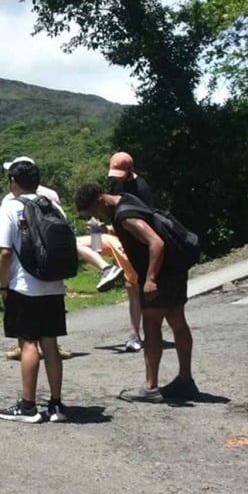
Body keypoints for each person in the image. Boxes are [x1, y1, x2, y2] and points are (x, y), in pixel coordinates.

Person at [74, 182, 198, 403]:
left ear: (101, 201)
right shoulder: (127, 199)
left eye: (95, 212)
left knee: (151, 327)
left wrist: (150, 279)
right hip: (175, 269)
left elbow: (156, 243)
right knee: (178, 322)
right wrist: (105, 230)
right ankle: (185, 380)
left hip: (159, 274)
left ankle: (150, 387)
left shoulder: (124, 216)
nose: (97, 216)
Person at [0, 156, 69, 423]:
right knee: (51, 344)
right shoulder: (54, 208)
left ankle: (28, 406)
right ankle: (56, 406)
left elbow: (4, 253)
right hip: (54, 286)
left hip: (24, 287)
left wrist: (3, 285)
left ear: (13, 181)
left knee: (28, 343)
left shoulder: (9, 208)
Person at [96, 151, 156, 353]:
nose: (116, 179)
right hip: (119, 236)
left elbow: (146, 222)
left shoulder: (142, 189)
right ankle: (135, 333)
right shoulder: (116, 181)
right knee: (132, 289)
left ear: (131, 170)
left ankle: (140, 334)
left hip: (137, 241)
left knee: (136, 289)